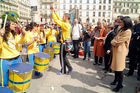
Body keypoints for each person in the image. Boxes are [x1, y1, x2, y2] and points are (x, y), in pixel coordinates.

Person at [0, 15, 25, 86]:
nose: (15, 25)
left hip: (16, 58)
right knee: (3, 82)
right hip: (5, 60)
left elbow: (20, 42)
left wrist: (23, 35)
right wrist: (1, 36)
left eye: (15, 24)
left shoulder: (13, 34)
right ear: (7, 25)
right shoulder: (2, 34)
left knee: (17, 80)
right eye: (13, 24)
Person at [110, 16, 132, 92]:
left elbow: (119, 41)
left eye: (121, 22)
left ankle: (120, 85)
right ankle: (116, 80)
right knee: (116, 67)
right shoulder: (121, 29)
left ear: (126, 23)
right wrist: (114, 40)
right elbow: (116, 37)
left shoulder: (128, 31)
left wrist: (113, 41)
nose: (120, 23)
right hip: (116, 50)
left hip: (121, 52)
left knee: (119, 69)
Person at [51, 5, 73, 75]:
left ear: (66, 18)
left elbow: (56, 20)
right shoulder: (68, 24)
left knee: (61, 57)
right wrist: (54, 11)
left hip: (64, 43)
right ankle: (69, 68)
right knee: (64, 57)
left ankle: (63, 70)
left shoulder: (65, 25)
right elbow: (59, 20)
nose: (62, 17)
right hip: (66, 43)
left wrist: (52, 12)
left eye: (63, 16)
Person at [126, 15, 140, 80]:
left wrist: (136, 34)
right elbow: (132, 34)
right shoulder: (135, 26)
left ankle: (139, 75)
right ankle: (130, 72)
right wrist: (137, 34)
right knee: (132, 60)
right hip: (134, 46)